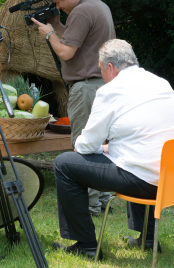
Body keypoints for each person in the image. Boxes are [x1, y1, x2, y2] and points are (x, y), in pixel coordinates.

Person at [52, 39, 174, 260]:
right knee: (132, 157)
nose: (102, 75)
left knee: (64, 164)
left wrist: (100, 147)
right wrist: (111, 148)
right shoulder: (161, 83)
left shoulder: (111, 91)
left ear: (110, 67)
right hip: (169, 180)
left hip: (142, 181)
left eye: (100, 69)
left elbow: (86, 145)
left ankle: (87, 246)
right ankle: (148, 238)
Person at [32, 0, 115, 216]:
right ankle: (104, 198)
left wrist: (48, 34)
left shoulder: (81, 11)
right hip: (101, 84)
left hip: (86, 87)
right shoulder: (97, 5)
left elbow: (66, 52)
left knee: (84, 146)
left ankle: (89, 206)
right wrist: (56, 24)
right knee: (101, 145)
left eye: (58, 2)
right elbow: (78, 41)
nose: (57, 7)